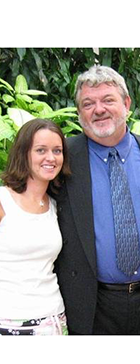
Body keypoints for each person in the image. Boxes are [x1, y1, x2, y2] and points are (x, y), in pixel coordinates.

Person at [54, 65, 140, 335]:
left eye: (108, 100)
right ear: (79, 112)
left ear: (126, 103)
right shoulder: (62, 160)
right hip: (92, 305)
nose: (98, 109)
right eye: (88, 103)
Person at [0, 118, 71, 335]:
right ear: (24, 154)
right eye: (41, 150)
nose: (51, 158)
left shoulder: (55, 206)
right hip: (9, 322)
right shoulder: (3, 200)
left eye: (57, 151)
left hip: (54, 320)